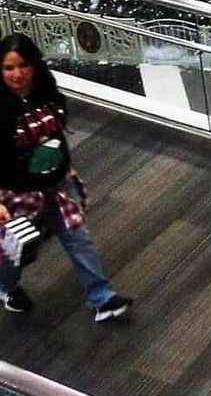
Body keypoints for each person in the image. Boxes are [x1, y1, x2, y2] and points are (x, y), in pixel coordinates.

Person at [0, 34, 132, 320]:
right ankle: (6, 287)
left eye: (23, 65)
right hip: (18, 196)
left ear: (34, 64)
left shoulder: (45, 90)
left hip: (57, 186)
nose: (17, 74)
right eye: (9, 68)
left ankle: (103, 299)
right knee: (15, 253)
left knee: (78, 238)